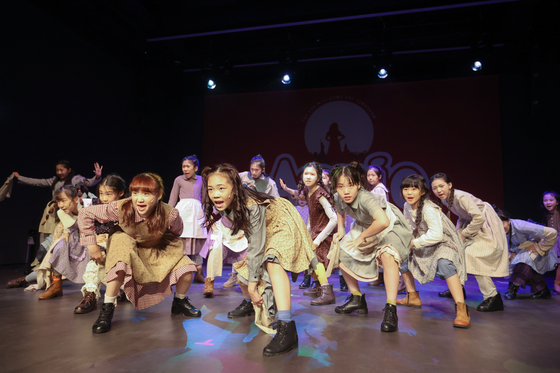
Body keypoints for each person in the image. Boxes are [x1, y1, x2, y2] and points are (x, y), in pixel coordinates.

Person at [203, 164, 316, 356]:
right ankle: (249, 303)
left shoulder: (251, 204)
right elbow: (250, 238)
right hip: (265, 228)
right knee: (244, 268)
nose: (215, 194)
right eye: (211, 189)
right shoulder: (226, 205)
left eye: (221, 188)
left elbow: (255, 244)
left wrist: (254, 285)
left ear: (234, 187)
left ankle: (287, 327)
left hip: (282, 220)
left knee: (273, 261)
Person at [78, 173, 201, 334]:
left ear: (158, 195)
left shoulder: (169, 213)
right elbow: (85, 214)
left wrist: (160, 240)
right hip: (127, 242)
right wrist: (91, 244)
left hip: (153, 245)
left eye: (146, 193)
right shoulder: (121, 207)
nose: (139, 199)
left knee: (187, 268)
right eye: (135, 193)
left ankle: (179, 301)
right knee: (120, 260)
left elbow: (177, 230)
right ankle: (107, 309)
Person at [330, 162, 413, 332]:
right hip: (366, 225)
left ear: (359, 184)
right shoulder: (339, 196)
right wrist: (340, 229)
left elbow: (383, 221)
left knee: (388, 256)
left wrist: (361, 237)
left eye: (350, 185)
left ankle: (391, 308)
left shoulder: (365, 197)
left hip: (388, 225)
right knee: (339, 252)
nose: (346, 191)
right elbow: (340, 209)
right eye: (341, 186)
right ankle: (357, 298)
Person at [398, 175, 470, 328]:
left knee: (445, 265)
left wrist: (414, 243)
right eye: (406, 189)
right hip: (423, 241)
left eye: (414, 188)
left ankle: (461, 308)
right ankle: (412, 296)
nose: (409, 193)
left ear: (422, 192)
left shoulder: (429, 208)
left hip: (443, 242)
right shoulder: (406, 206)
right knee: (402, 257)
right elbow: (409, 228)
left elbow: (436, 235)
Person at [430, 173, 509, 312]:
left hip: (486, 224)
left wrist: (463, 234)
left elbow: (478, 218)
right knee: (456, 252)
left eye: (441, 186)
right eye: (435, 188)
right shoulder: (446, 199)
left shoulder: (461, 197)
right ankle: (458, 288)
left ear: (449, 185)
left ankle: (493, 297)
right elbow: (463, 216)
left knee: (472, 255)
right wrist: (457, 232)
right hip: (473, 224)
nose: (438, 190)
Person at [280, 162, 337, 306]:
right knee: (309, 258)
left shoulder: (320, 194)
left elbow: (334, 218)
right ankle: (318, 286)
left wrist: (318, 239)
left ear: (318, 178)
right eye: (306, 174)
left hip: (324, 234)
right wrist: (286, 189)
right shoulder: (308, 190)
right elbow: (299, 195)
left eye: (312, 174)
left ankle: (326, 291)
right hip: (314, 231)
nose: (308, 177)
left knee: (316, 258)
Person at [12, 160, 103, 242]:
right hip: (56, 210)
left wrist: (97, 177)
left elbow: (89, 182)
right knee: (49, 232)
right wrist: (20, 177)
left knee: (68, 231)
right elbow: (37, 182)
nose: (59, 172)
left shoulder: (75, 179)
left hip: (71, 211)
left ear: (69, 170)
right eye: (57, 170)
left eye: (62, 170)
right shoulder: (54, 181)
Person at [74, 175, 127, 314]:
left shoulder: (126, 206)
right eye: (101, 193)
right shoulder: (94, 204)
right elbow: (85, 220)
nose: (104, 198)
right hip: (100, 241)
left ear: (120, 193)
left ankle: (122, 290)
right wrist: (95, 238)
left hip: (121, 242)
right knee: (96, 261)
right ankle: (90, 294)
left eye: (108, 194)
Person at [34, 185, 90, 300]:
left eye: (63, 201)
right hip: (76, 236)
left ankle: (94, 289)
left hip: (92, 234)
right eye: (58, 202)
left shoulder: (87, 205)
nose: (60, 205)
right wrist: (66, 232)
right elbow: (70, 226)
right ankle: (56, 285)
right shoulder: (61, 212)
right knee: (58, 246)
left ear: (75, 199)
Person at [496, 208, 557, 300]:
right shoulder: (499, 232)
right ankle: (542, 289)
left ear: (508, 221)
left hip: (536, 248)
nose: (500, 228)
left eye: (502, 224)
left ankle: (513, 287)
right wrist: (510, 253)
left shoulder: (521, 225)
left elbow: (552, 232)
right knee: (523, 264)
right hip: (521, 250)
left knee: (524, 262)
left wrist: (540, 247)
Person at [168, 155, 208, 287]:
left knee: (197, 242)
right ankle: (179, 271)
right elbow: (173, 198)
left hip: (197, 213)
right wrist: (169, 214)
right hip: (183, 213)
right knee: (182, 242)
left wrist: (207, 215)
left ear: (195, 168)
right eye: (183, 166)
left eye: (188, 166)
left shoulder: (201, 180)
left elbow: (204, 198)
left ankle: (199, 272)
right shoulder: (179, 180)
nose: (185, 169)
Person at [542, 191, 560, 293]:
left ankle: (557, 282)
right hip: (552, 240)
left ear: (557, 202)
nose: (548, 202)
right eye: (545, 200)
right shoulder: (545, 215)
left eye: (551, 200)